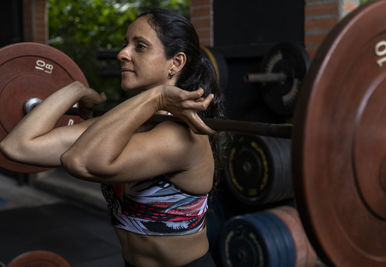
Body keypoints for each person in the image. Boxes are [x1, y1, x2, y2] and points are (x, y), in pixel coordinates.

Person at [0, 8, 223, 267]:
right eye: (125, 44)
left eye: (139, 46)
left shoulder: (180, 136)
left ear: (175, 62)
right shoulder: (124, 124)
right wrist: (74, 90)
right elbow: (16, 147)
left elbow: (80, 160)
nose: (122, 54)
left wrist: (157, 96)